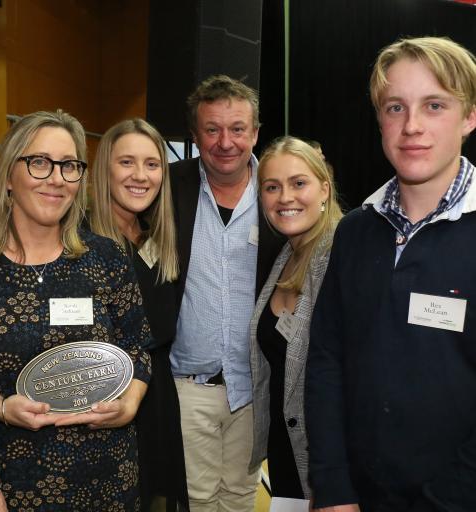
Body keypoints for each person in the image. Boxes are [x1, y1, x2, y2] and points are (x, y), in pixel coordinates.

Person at [0, 110, 152, 512]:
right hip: (12, 481)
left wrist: (129, 404)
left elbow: (138, 346)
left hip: (108, 478)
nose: (56, 178)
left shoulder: (107, 257)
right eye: (39, 162)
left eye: (69, 165)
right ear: (7, 175)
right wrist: (1, 407)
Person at [305, 36, 476, 511]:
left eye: (434, 105)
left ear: (470, 117)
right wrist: (333, 489)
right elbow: (325, 362)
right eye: (395, 107)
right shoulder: (355, 231)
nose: (412, 126)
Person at [169, 74, 283, 511]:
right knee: (194, 501)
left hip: (254, 383)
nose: (225, 141)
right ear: (196, 136)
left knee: (239, 497)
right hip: (187, 384)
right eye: (212, 129)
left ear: (255, 132)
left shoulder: (278, 192)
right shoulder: (170, 187)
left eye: (237, 129)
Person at [90, 118, 189, 512]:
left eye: (152, 164)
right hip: (104, 406)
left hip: (158, 401)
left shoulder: (157, 239)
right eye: (127, 162)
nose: (141, 176)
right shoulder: (78, 241)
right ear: (104, 169)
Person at [248, 136, 342, 500]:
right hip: (287, 450)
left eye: (298, 183)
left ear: (324, 189)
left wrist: (335, 479)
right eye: (272, 187)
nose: (285, 197)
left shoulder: (340, 257)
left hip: (324, 464)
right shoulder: (286, 254)